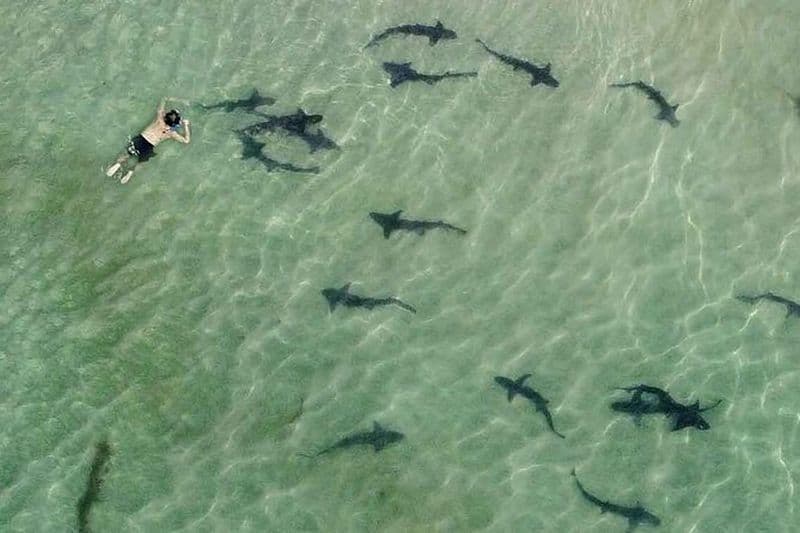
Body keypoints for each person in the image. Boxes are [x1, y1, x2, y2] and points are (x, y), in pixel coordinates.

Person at [106, 98, 191, 183]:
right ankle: (130, 172)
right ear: (175, 124)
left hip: (141, 139)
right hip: (149, 147)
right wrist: (186, 125)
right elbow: (186, 140)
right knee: (140, 163)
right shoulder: (171, 133)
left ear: (166, 116)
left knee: (126, 154)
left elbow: (164, 99)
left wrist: (178, 100)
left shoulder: (159, 118)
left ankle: (117, 164)